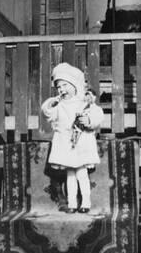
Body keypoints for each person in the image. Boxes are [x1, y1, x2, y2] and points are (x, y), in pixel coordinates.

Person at [41, 63, 104, 213]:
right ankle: (72, 203)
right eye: (59, 87)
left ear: (75, 86)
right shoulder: (59, 105)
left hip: (81, 143)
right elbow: (47, 114)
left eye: (65, 85)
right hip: (65, 143)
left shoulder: (84, 103)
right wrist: (51, 103)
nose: (62, 89)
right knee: (70, 175)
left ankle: (85, 203)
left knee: (82, 174)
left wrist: (89, 121)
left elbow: (97, 114)